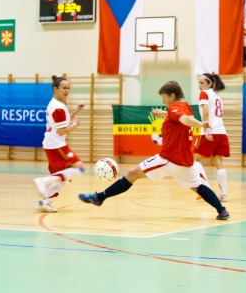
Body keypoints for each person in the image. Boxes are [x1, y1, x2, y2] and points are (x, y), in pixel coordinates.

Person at [79, 81, 230, 220]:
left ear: (172, 96)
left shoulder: (175, 108)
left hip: (168, 159)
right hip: (185, 161)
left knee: (131, 174)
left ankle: (99, 197)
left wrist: (201, 125)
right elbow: (180, 118)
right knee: (198, 186)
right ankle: (222, 210)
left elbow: (183, 119)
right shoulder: (185, 107)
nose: (163, 102)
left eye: (164, 98)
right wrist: (164, 113)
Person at [32, 76, 86, 212]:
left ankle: (44, 202)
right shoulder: (58, 108)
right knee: (80, 168)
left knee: (64, 179)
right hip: (57, 144)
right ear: (55, 89)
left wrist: (76, 112)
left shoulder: (59, 105)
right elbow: (62, 131)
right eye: (64, 88)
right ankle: (44, 181)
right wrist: (74, 125)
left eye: (68, 88)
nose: (67, 90)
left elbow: (62, 123)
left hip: (53, 144)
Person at [194, 73, 230, 201]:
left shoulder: (204, 94)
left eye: (202, 83)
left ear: (210, 84)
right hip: (221, 132)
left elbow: (206, 111)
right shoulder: (218, 97)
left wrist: (205, 129)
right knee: (218, 162)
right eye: (198, 83)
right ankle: (223, 194)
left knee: (194, 160)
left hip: (210, 130)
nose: (199, 86)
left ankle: (206, 189)